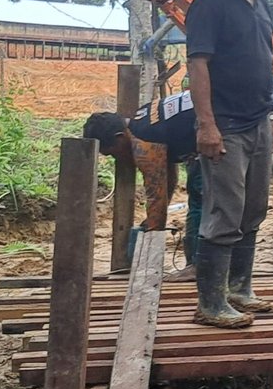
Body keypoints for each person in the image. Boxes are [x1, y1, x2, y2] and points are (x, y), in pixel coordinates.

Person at [186, 0, 273, 329]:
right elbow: (198, 64)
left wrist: (272, 116)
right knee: (224, 211)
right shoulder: (210, 2)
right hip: (225, 125)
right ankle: (210, 302)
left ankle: (239, 288)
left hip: (257, 121)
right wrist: (206, 125)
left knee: (253, 208)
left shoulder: (260, 2)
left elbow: (265, 61)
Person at [83, 92, 204, 281]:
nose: (118, 159)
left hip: (221, 128)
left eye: (113, 154)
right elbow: (168, 174)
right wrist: (155, 217)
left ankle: (197, 266)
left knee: (199, 199)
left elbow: (155, 193)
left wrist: (151, 236)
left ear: (120, 137)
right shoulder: (143, 118)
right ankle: (198, 264)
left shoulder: (144, 144)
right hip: (222, 118)